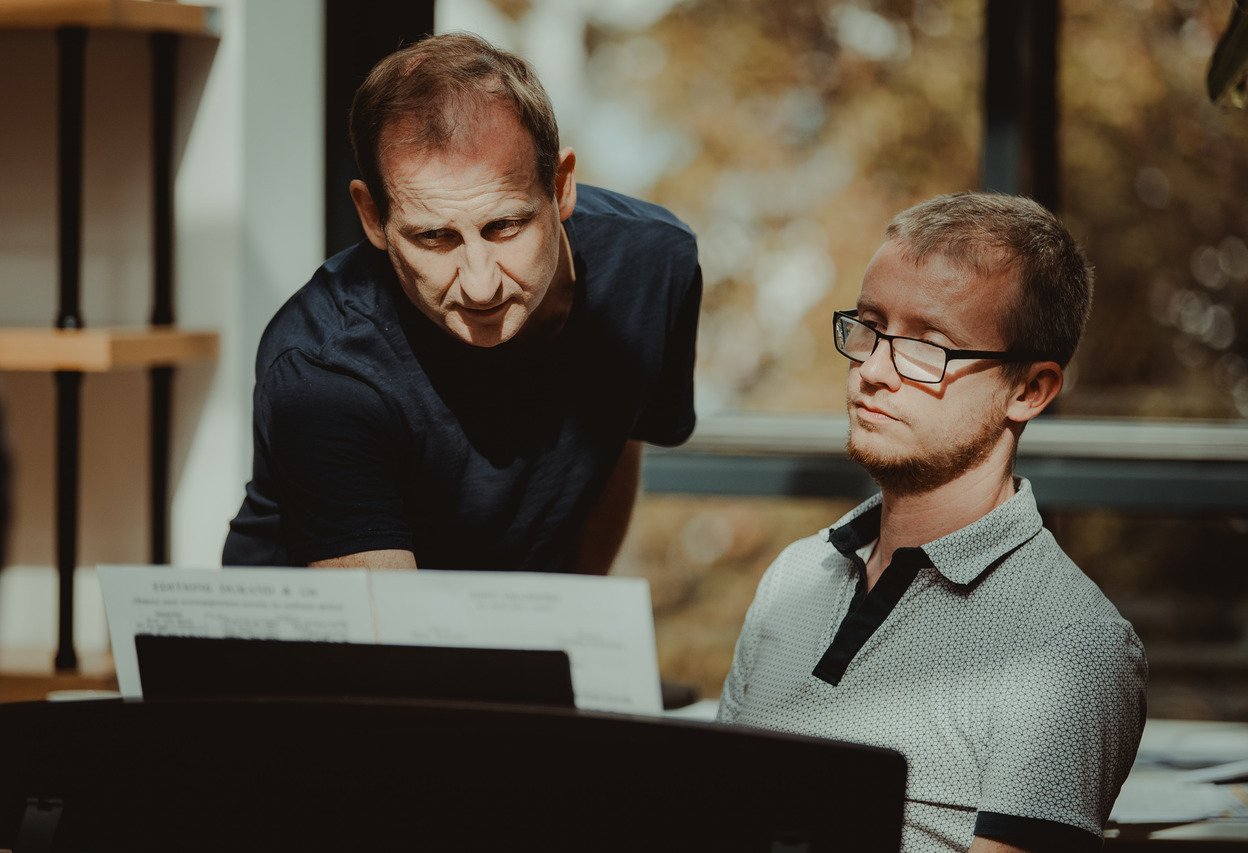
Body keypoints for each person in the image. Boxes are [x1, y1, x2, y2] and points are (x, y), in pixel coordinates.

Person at [717, 192, 1146, 852]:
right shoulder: (792, 577)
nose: (874, 371)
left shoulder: (1068, 645)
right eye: (868, 326)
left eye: (928, 346)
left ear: (1029, 389)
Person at [222, 33, 701, 573]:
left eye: (504, 226)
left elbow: (616, 443)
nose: (479, 286)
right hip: (309, 643)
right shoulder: (322, 365)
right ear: (373, 217)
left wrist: (572, 621)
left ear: (561, 186)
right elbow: (384, 638)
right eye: (434, 237)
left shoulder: (654, 263)